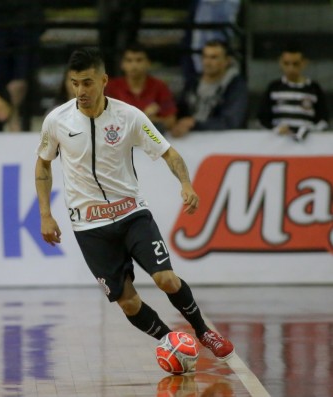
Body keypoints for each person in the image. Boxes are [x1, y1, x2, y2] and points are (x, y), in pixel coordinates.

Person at [35, 47, 235, 363]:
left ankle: (203, 331)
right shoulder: (57, 120)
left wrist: (185, 184)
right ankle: (171, 341)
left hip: (131, 214)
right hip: (89, 227)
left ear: (103, 80)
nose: (80, 91)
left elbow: (169, 152)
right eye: (75, 83)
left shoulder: (129, 116)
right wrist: (45, 214)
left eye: (87, 83)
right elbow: (43, 165)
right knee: (128, 303)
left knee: (166, 279)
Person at [172, 40, 247, 137]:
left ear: (227, 61)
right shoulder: (193, 82)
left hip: (224, 141)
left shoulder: (235, 86)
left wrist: (194, 124)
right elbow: (179, 110)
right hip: (190, 139)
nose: (207, 62)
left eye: (214, 57)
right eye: (204, 57)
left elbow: (231, 122)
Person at [0, 0, 44, 131]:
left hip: (27, 19)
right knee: (1, 78)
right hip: (2, 21)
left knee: (21, 79)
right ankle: (10, 115)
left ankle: (17, 115)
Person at [257, 45, 329, 142]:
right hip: (278, 144)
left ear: (304, 63)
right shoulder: (274, 87)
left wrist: (309, 132)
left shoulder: (314, 88)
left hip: (307, 144)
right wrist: (275, 129)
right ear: (280, 63)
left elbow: (324, 119)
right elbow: (262, 118)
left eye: (296, 64)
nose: (290, 68)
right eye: (286, 64)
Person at [105, 43, 177, 133]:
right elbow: (105, 121)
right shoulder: (111, 87)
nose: (134, 65)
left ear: (148, 63)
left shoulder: (160, 86)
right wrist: (145, 117)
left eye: (139, 60)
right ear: (122, 64)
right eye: (129, 60)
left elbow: (171, 121)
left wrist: (155, 121)